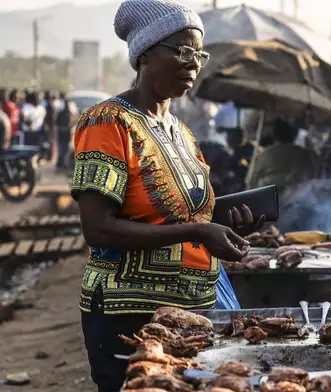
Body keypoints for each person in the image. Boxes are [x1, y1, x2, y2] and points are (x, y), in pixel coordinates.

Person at [72, 2, 265, 390]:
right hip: (129, 314)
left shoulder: (182, 132)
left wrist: (223, 227)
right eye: (180, 51)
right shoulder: (107, 121)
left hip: (192, 314)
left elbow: (180, 218)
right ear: (143, 54)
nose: (192, 64)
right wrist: (196, 231)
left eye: (199, 55)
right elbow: (98, 229)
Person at [246, 118, 319, 195]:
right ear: (293, 135)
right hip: (296, 196)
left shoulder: (265, 154)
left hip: (266, 196)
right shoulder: (305, 154)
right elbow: (313, 175)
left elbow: (251, 180)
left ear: (275, 136)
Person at [54, 92, 79, 170]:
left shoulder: (61, 109)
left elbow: (56, 121)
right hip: (66, 131)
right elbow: (75, 119)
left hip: (64, 130)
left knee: (62, 147)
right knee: (65, 147)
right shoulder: (71, 109)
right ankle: (62, 163)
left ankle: (62, 163)